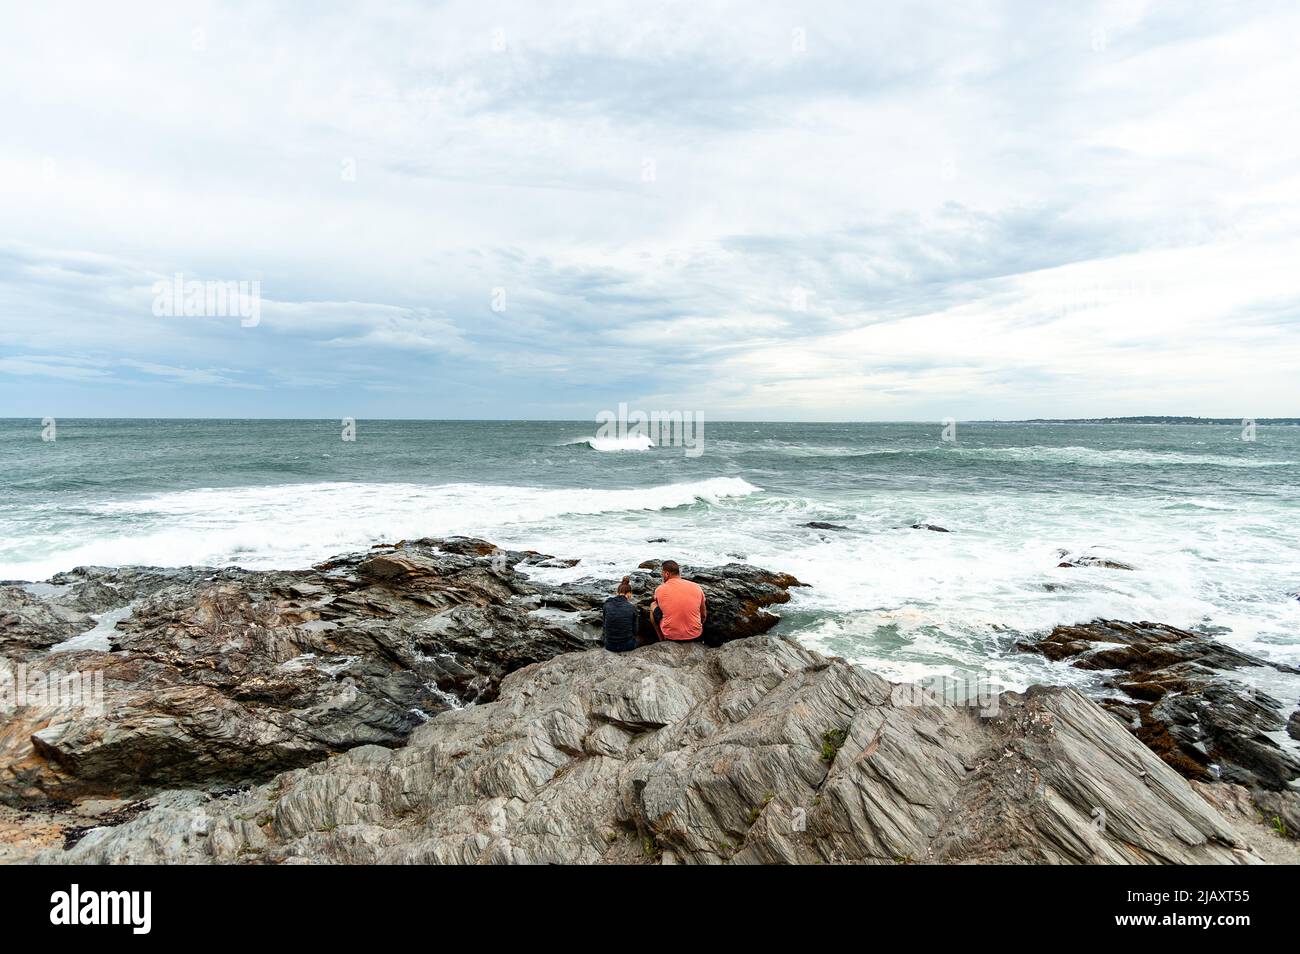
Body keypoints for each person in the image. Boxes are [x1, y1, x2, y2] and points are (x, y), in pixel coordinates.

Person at [649, 560, 707, 643]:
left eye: (662, 573)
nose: (662, 575)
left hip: (671, 636)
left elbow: (658, 603)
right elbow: (703, 615)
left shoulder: (660, 589)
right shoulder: (696, 587)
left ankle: (662, 640)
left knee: (653, 605)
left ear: (667, 574)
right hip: (696, 635)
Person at [601, 576, 639, 653]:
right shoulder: (632, 608)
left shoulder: (606, 605)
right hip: (627, 646)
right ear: (629, 593)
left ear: (617, 593)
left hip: (609, 646)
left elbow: (605, 625)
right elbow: (635, 631)